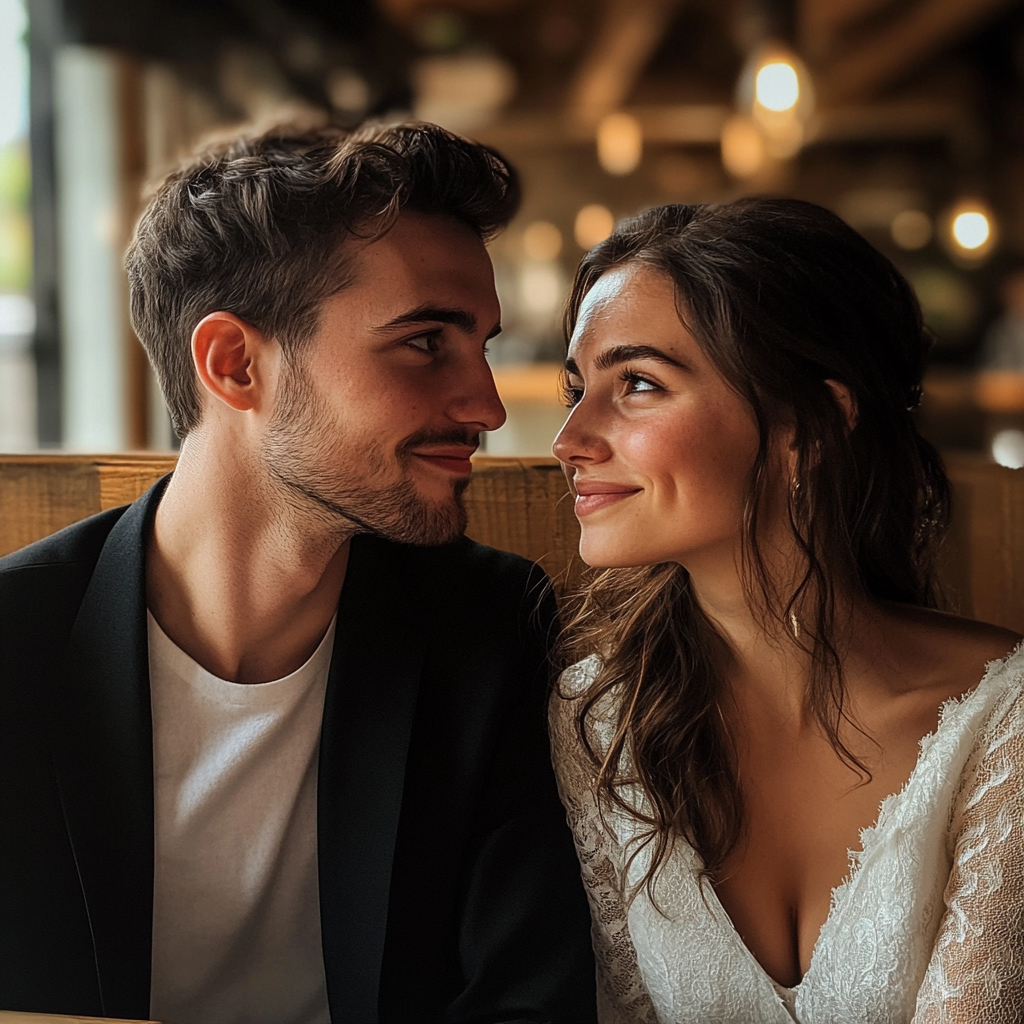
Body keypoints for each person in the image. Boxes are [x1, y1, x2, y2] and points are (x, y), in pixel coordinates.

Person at [0, 122, 596, 1024]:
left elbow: (530, 999)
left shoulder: (486, 628)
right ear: (236, 365)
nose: (484, 404)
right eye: (426, 342)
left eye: (481, 344)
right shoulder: (15, 644)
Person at [548, 199, 1024, 1023]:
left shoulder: (1005, 721)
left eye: (638, 384)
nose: (570, 437)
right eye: (577, 388)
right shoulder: (597, 720)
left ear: (805, 427)